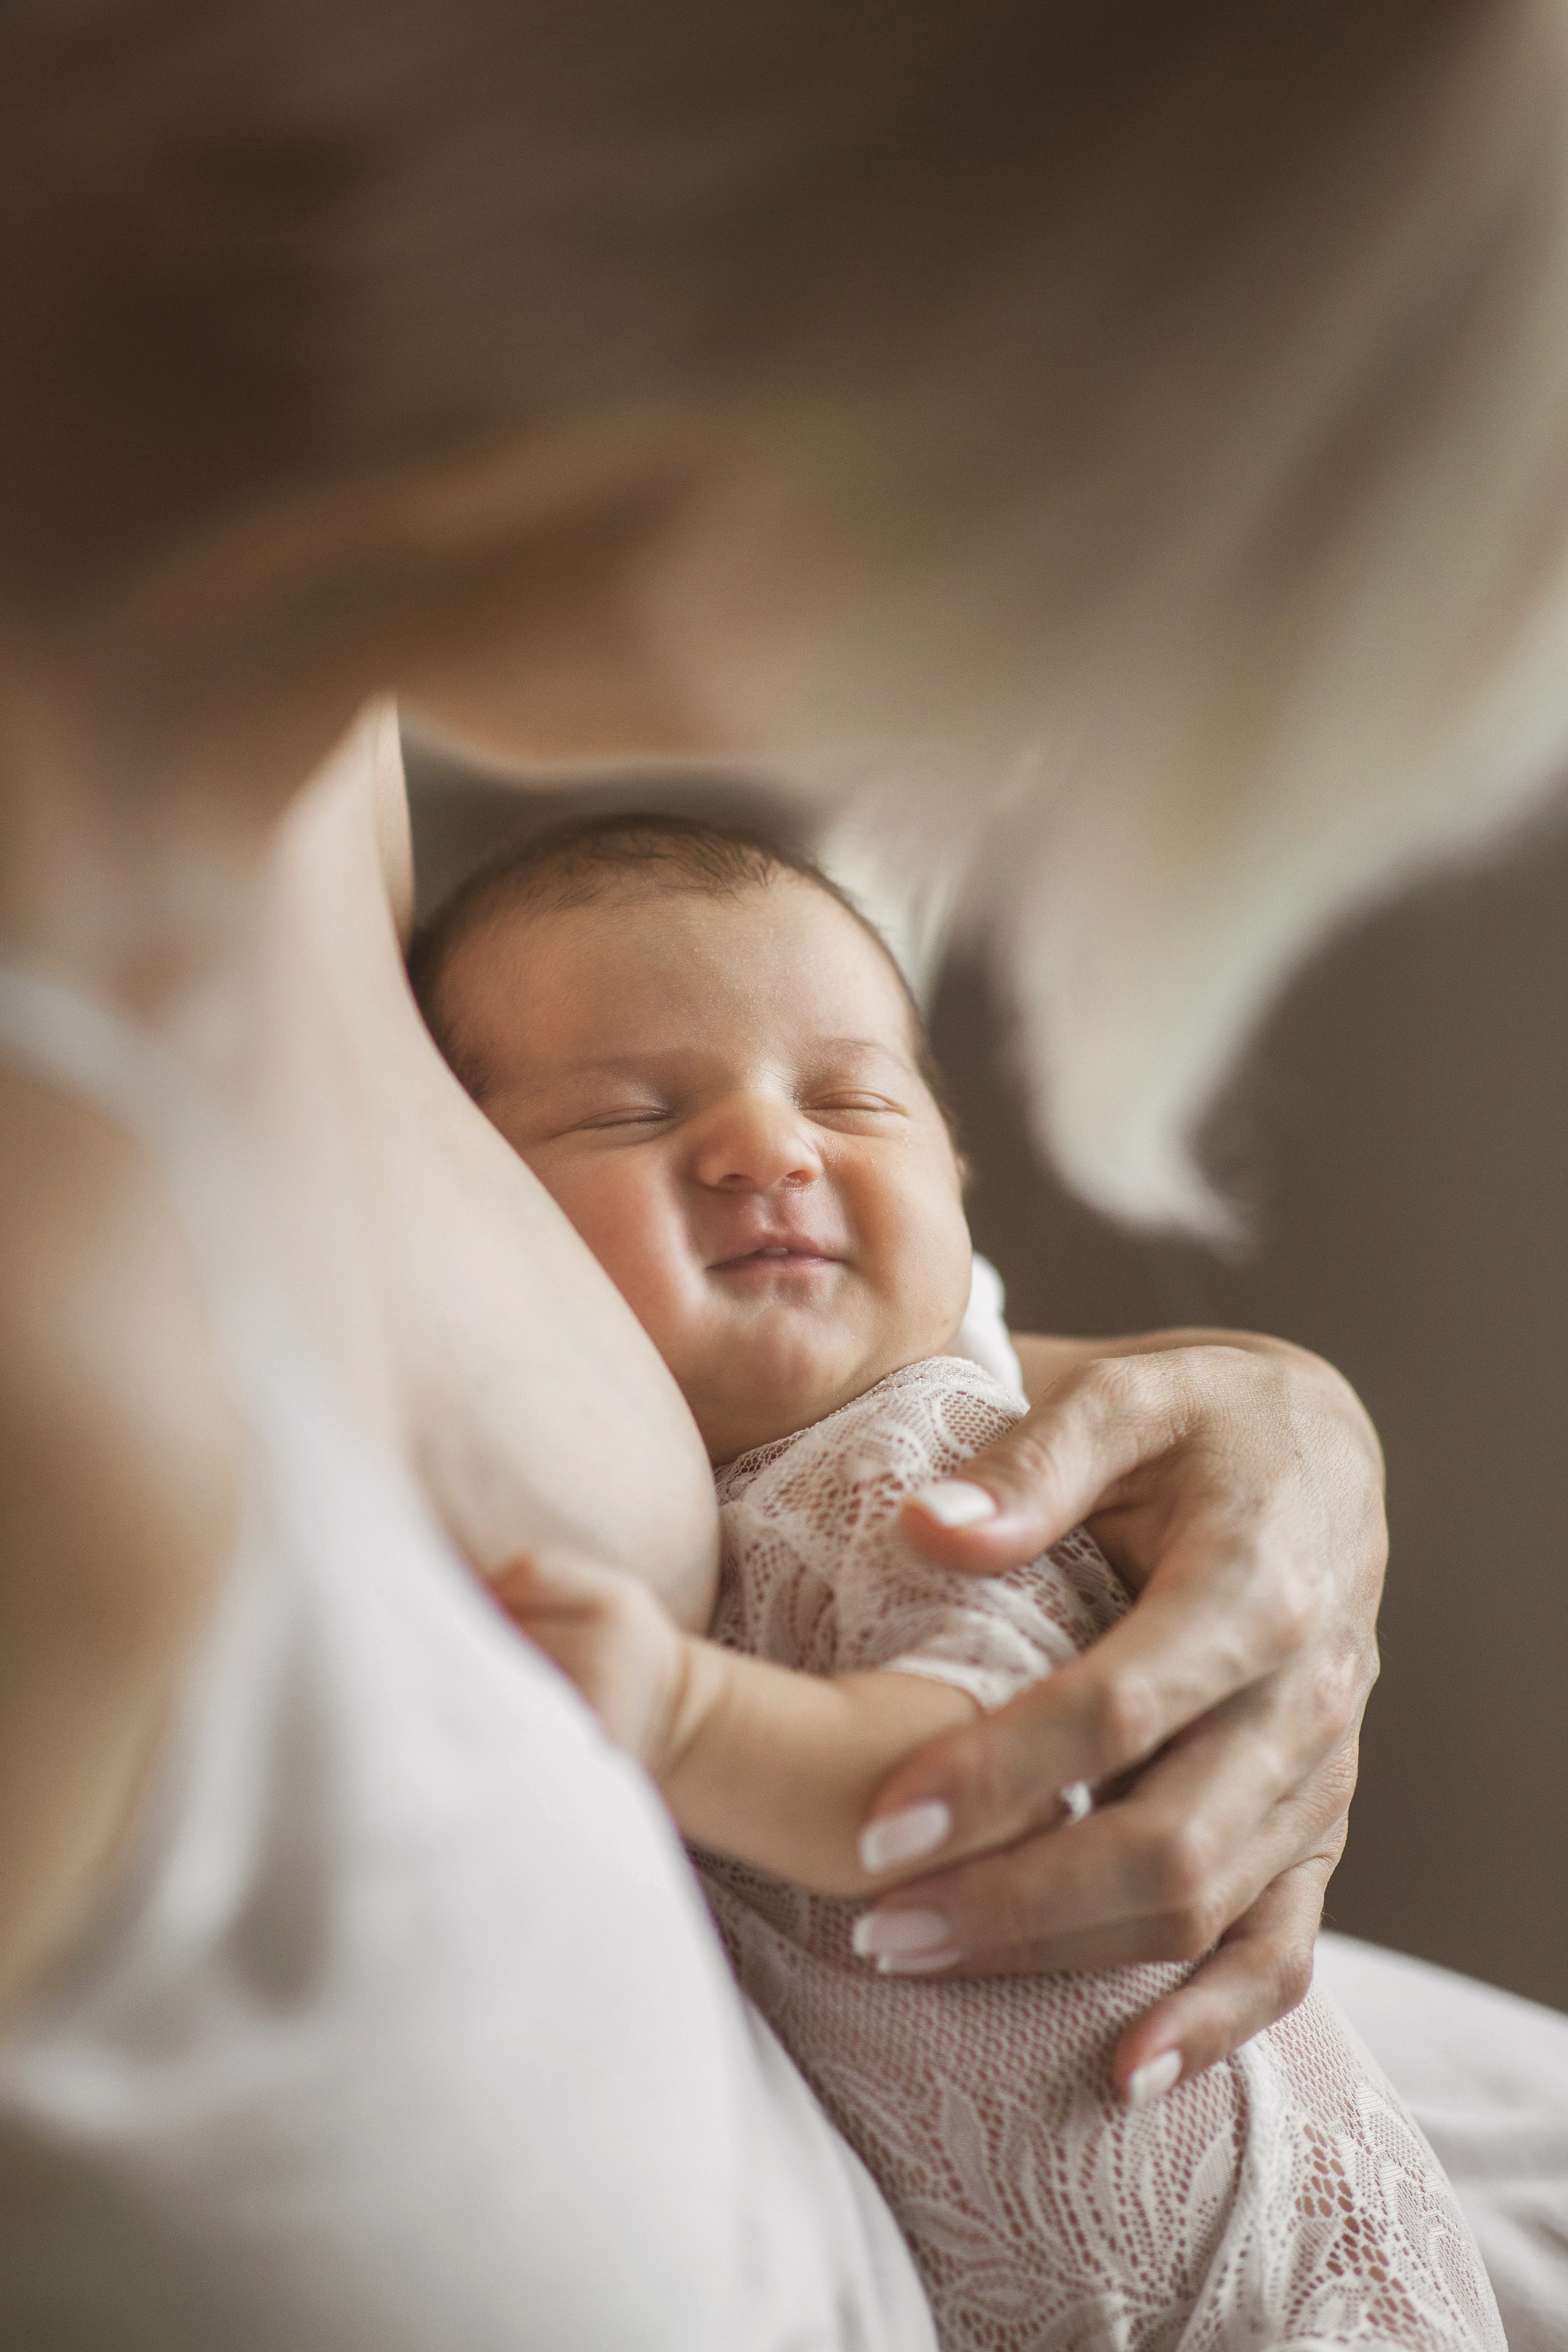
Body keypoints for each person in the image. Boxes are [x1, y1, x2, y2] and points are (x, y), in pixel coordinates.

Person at [0, 1, 1564, 2343]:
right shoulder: (60, 1319)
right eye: (1088, 559)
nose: (981, 703)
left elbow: (465, 1365)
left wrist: (1203, 1425)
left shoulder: (283, 717)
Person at [409, 808, 1502, 2351]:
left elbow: (960, 1776)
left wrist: (672, 1714)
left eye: (851, 1100)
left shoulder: (917, 1463)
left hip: (1263, 2287)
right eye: (630, 1115)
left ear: (954, 1172)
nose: (768, 1149)